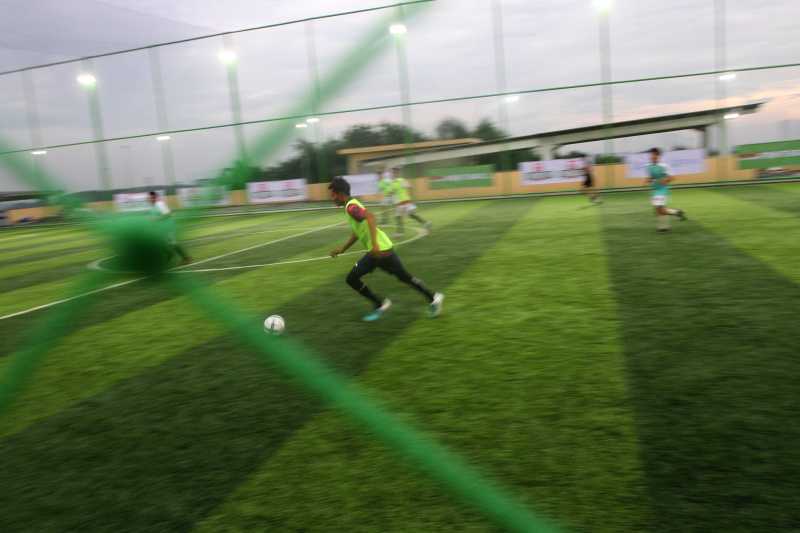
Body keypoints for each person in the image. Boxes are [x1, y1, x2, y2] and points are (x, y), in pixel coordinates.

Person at [328, 177, 443, 322]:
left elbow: (370, 217)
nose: (332, 198)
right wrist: (342, 249)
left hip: (378, 251)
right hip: (382, 249)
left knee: (352, 279)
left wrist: (375, 245)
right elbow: (357, 232)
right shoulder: (351, 205)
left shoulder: (351, 207)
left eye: (332, 195)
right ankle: (434, 298)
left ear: (339, 193)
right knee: (404, 277)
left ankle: (380, 304)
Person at [646, 148, 687, 232]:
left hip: (662, 190)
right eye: (650, 155)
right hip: (654, 190)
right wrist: (648, 180)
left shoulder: (664, 166)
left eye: (653, 155)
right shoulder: (648, 167)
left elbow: (672, 177)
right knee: (658, 210)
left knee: (660, 209)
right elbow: (651, 177)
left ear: (658, 156)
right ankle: (676, 214)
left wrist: (665, 180)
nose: (651, 156)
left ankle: (664, 227)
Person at [148, 191, 192, 265]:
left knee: (173, 243)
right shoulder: (153, 206)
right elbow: (155, 217)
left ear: (154, 197)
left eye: (149, 198)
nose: (148, 199)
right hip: (162, 228)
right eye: (148, 198)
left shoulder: (159, 204)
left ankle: (186, 258)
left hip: (168, 227)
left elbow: (168, 213)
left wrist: (156, 219)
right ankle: (170, 257)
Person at [389, 168, 431, 235]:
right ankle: (425, 223)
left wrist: (411, 198)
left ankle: (399, 232)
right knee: (411, 215)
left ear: (397, 173)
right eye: (392, 173)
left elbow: (409, 187)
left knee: (398, 217)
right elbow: (409, 188)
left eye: (393, 173)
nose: (392, 174)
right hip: (404, 202)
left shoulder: (398, 181)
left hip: (402, 202)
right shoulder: (397, 181)